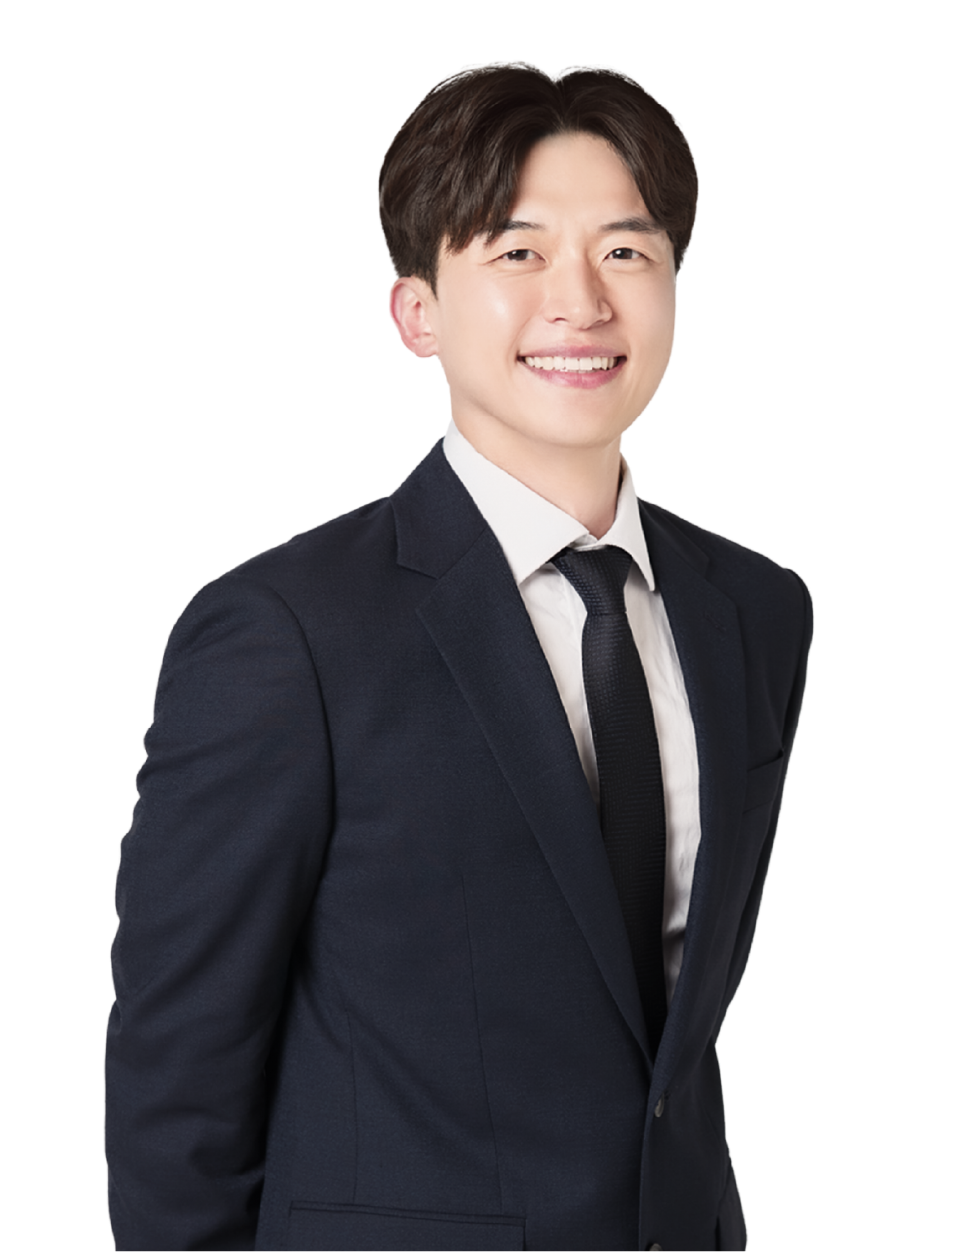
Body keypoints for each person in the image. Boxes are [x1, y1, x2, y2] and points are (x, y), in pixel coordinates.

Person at [104, 60, 812, 1252]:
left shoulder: (754, 610)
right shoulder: (286, 634)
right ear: (416, 310)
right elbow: (178, 1087)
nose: (581, 302)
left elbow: (660, 1044)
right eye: (517, 252)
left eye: (626, 251)